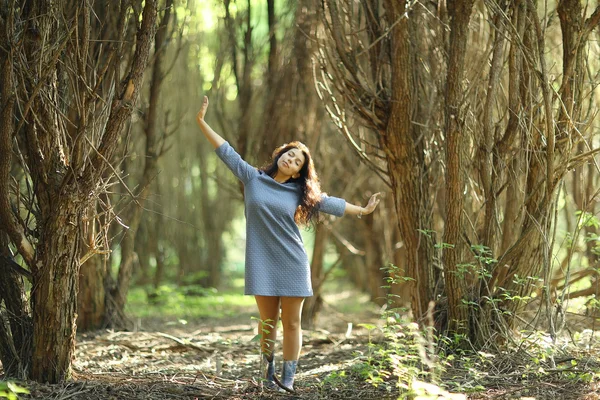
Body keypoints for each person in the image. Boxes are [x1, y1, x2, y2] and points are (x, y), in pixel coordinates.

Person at [196, 96, 380, 392]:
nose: (291, 160)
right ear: (280, 155)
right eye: (289, 154)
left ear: (297, 172)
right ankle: (267, 374)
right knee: (267, 323)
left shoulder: (300, 193)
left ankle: (289, 379)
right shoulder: (252, 178)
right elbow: (226, 151)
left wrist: (363, 210)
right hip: (260, 261)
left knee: (292, 323)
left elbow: (329, 203)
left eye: (297, 161)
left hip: (292, 261)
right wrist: (202, 122)